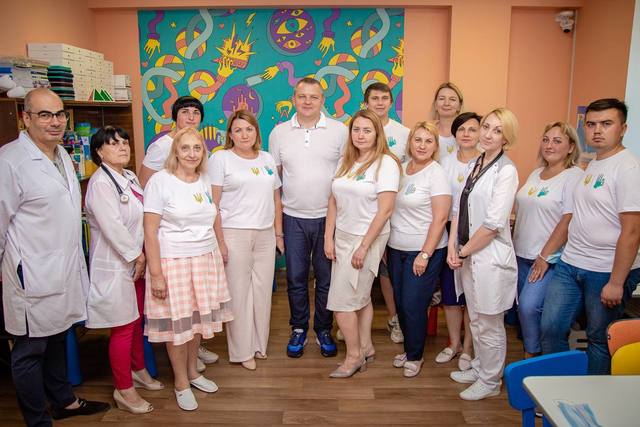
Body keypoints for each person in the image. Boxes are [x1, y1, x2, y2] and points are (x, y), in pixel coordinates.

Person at [0, 88, 110, 426]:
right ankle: (37, 420)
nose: (55, 121)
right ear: (26, 118)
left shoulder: (61, 154)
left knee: (59, 336)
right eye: (45, 115)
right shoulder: (10, 161)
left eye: (59, 114)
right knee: (30, 349)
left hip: (63, 265)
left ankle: (64, 401)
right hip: (31, 270)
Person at [540, 98, 640, 374]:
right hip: (571, 262)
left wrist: (616, 282)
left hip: (605, 270)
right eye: (591, 124)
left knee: (598, 338)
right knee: (551, 328)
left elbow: (632, 231)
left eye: (606, 124)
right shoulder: (594, 163)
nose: (597, 130)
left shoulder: (628, 168)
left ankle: (591, 396)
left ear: (623, 128)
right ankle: (559, 388)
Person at [143, 127, 232, 411]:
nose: (192, 154)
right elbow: (149, 230)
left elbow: (213, 216)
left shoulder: (203, 179)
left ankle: (193, 372)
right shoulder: (160, 181)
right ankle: (181, 382)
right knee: (178, 327)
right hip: (174, 262)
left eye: (197, 148)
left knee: (196, 323)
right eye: (185, 148)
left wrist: (219, 245)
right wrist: (156, 274)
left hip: (205, 259)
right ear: (175, 152)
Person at [85, 126, 164, 414]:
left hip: (136, 262)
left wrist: (143, 256)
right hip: (117, 265)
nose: (122, 147)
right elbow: (112, 227)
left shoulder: (128, 177)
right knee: (122, 327)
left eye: (125, 142)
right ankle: (123, 389)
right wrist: (137, 257)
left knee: (136, 321)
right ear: (99, 151)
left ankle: (138, 370)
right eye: (113, 143)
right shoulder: (100, 184)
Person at [138, 95, 219, 369]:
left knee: (195, 314)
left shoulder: (203, 172)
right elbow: (146, 191)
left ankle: (193, 361)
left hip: (201, 253)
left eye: (196, 113)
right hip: (173, 252)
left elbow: (209, 208)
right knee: (178, 319)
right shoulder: (161, 162)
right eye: (185, 112)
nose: (191, 117)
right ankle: (182, 373)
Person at [268, 77, 348, 358]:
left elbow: (346, 174)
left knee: (326, 279)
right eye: (302, 96)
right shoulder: (279, 133)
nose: (307, 101)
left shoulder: (340, 131)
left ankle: (324, 328)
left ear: (322, 100)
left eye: (314, 97)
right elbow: (275, 181)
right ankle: (299, 328)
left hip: (329, 218)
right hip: (293, 218)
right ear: (294, 99)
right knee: (296, 278)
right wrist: (278, 230)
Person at [447, 108, 519, 400]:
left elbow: (492, 224)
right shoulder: (476, 163)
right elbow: (458, 209)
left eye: (497, 130)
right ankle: (480, 367)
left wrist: (462, 251)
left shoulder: (506, 171)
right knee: (476, 319)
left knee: (490, 323)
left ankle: (491, 381)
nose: (488, 134)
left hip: (489, 258)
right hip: (469, 254)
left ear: (506, 138)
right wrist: (453, 246)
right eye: (486, 127)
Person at [324, 109, 401, 378]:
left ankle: (353, 356)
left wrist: (364, 246)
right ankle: (366, 347)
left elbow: (386, 210)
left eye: (367, 130)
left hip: (367, 238)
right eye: (356, 129)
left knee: (341, 303)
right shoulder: (346, 161)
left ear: (377, 134)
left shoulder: (386, 164)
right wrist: (329, 237)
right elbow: (333, 200)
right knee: (361, 296)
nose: (360, 135)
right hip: (343, 236)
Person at [209, 110, 283, 371]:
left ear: (256, 132)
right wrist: (220, 241)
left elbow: (276, 199)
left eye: (249, 129)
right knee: (239, 295)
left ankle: (259, 344)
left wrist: (278, 234)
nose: (244, 134)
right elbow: (213, 204)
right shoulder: (220, 159)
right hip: (234, 233)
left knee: (262, 292)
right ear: (230, 134)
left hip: (265, 233)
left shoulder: (266, 158)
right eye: (238, 130)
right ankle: (242, 351)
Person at [513, 122, 582, 358]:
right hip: (521, 254)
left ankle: (533, 357)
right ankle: (535, 354)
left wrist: (544, 256)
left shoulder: (574, 176)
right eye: (546, 140)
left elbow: (568, 220)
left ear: (571, 147)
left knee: (529, 307)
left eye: (557, 141)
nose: (549, 145)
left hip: (547, 258)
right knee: (523, 310)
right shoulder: (536, 173)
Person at [387, 122, 451, 377]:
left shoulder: (436, 174)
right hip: (396, 248)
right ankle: (409, 348)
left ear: (435, 146)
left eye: (428, 141)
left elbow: (440, 218)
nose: (422, 146)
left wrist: (425, 254)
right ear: (410, 142)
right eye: (418, 140)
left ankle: (415, 356)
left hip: (424, 250)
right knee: (401, 303)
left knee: (413, 304)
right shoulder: (401, 170)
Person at [364, 82, 409, 343]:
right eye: (374, 98)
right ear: (366, 103)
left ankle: (395, 319)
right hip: (363, 209)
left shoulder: (404, 133)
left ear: (391, 103)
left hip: (393, 208)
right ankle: (350, 318)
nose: (379, 103)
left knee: (387, 268)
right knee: (360, 265)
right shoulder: (356, 129)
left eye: (384, 98)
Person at [436, 112, 481, 370]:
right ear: (454, 134)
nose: (466, 134)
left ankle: (468, 347)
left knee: (472, 295)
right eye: (461, 129)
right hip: (448, 231)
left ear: (480, 134)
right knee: (451, 294)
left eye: (472, 129)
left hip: (476, 233)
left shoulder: (486, 163)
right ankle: (453, 344)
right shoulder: (445, 163)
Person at [431, 82, 464, 161]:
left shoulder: (467, 133)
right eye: (442, 99)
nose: (446, 103)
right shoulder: (427, 131)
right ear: (435, 104)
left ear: (459, 106)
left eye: (452, 99)